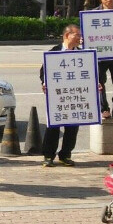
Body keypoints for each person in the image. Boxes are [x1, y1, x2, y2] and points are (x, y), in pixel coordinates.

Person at [39, 24, 82, 167]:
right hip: (58, 97)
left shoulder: (83, 55)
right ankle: (48, 156)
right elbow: (43, 71)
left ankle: (65, 155)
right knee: (53, 126)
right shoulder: (54, 52)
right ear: (66, 35)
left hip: (75, 96)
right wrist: (44, 83)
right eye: (77, 35)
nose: (79, 39)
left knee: (72, 127)